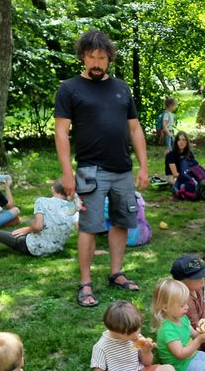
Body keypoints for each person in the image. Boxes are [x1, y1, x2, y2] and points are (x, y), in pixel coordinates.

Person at [54, 29, 149, 307]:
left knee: (122, 222)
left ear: (109, 59)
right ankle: (85, 283)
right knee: (89, 227)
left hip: (122, 169)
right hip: (89, 170)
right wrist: (67, 172)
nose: (96, 63)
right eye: (91, 57)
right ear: (83, 56)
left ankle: (115, 272)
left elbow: (135, 128)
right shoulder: (69, 88)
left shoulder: (121, 88)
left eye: (102, 58)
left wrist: (143, 166)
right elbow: (61, 133)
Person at [0, 180, 78, 257]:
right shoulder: (73, 208)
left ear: (52, 189)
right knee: (14, 232)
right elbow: (80, 227)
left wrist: (26, 229)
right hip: (55, 249)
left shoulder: (42, 201)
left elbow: (38, 227)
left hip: (33, 247)